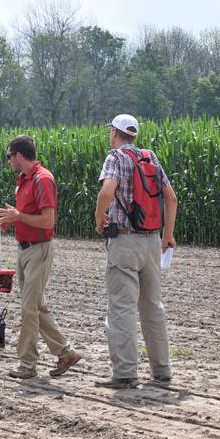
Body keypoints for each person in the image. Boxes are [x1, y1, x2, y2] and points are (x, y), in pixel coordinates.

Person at [94, 114, 178, 389]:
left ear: (116, 132)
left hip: (125, 241)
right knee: (153, 307)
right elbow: (171, 197)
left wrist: (99, 217)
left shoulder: (115, 158)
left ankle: (126, 373)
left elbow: (107, 191)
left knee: (122, 308)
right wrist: (167, 234)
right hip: (152, 241)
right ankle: (162, 370)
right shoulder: (149, 156)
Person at [0, 135, 81, 380]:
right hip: (24, 249)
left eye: (9, 156)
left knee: (29, 308)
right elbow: (23, 214)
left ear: (19, 156)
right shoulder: (23, 180)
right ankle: (66, 353)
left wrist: (18, 216)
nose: (8, 161)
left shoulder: (43, 179)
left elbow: (47, 220)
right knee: (37, 307)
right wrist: (9, 222)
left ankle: (27, 364)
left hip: (39, 249)